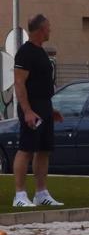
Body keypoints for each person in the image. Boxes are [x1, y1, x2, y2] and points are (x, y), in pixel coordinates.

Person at [11, 14, 63, 207]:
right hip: (31, 108)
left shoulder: (41, 52)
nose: (50, 30)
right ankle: (19, 195)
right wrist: (28, 111)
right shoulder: (25, 53)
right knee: (26, 149)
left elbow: (41, 83)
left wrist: (51, 110)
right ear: (41, 29)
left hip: (45, 107)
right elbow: (19, 83)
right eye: (48, 27)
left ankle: (41, 193)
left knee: (44, 150)